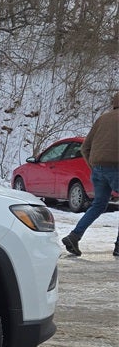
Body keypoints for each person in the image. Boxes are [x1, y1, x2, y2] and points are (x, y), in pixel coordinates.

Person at [62, 92, 119, 257]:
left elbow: (84, 148)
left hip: (98, 169)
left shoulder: (102, 119)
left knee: (98, 205)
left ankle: (74, 236)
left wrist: (94, 167)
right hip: (116, 168)